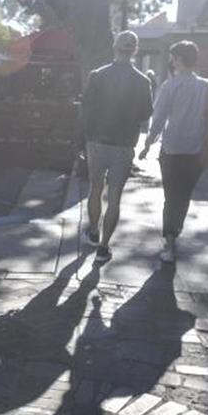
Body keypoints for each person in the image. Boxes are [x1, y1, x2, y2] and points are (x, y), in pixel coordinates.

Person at [138, 40, 208, 263]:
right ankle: (175, 233)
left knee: (170, 197)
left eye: (173, 58)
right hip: (196, 151)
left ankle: (170, 240)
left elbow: (159, 118)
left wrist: (147, 144)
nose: (171, 61)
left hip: (172, 149)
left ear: (179, 60)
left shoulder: (169, 86)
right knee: (183, 196)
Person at [81, 30, 153, 264]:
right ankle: (103, 247)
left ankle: (93, 231)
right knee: (114, 198)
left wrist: (83, 139)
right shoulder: (143, 82)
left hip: (97, 142)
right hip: (124, 145)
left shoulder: (97, 76)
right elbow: (144, 118)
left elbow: (86, 111)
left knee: (95, 188)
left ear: (114, 46)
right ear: (135, 50)